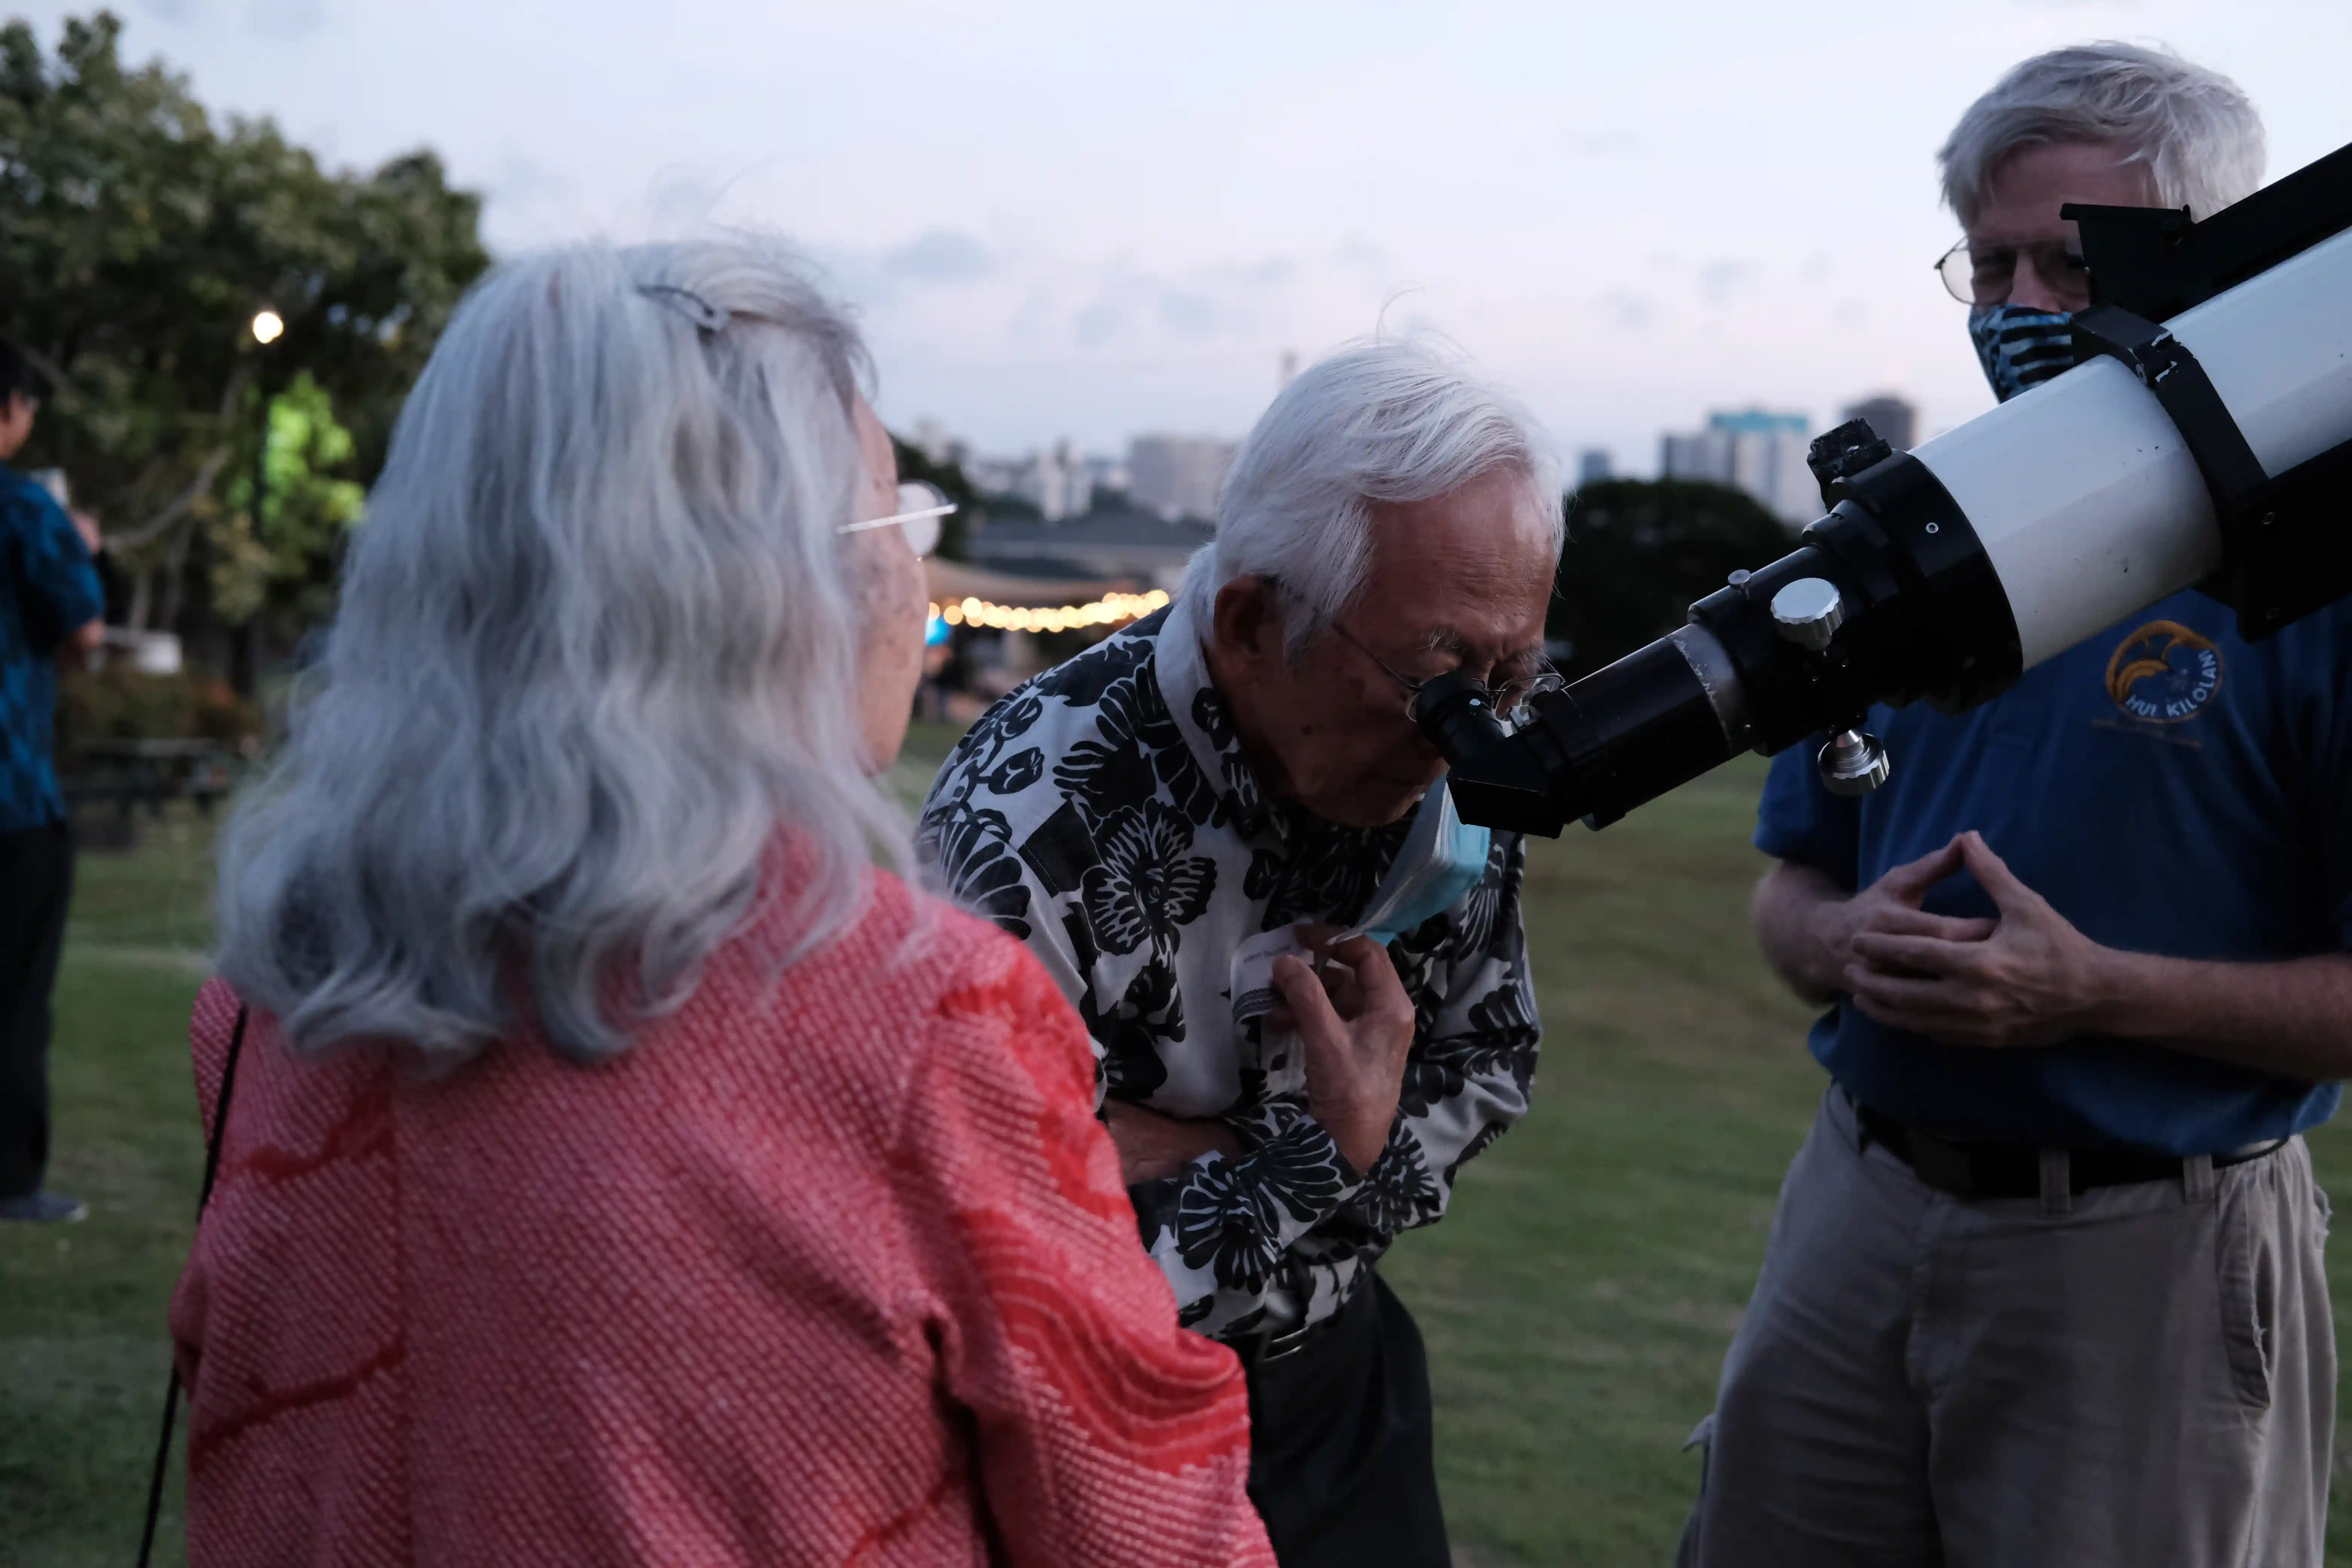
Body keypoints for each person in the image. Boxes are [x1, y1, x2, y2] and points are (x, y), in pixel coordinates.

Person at [170, 240, 1276, 1567]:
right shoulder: (923, 1020)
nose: (913, 581)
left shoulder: (268, 1004)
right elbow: (1151, 1529)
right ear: (761, 589)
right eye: (897, 521)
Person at [1682, 44, 2352, 1568]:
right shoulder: (1905, 552)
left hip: (2149, 1248)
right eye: (1989, 264)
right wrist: (1842, 937)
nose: (2022, 305)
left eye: (2071, 256)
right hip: (1859, 1204)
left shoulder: (2321, 576)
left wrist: (2094, 990)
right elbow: (1790, 884)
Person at [921, 340, 1557, 1568]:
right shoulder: (1028, 814)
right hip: (1097, 1431)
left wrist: (1195, 1154)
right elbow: (991, 1243)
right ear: (1256, 622)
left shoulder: (1453, 767)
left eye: (1508, 675)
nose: (1466, 734)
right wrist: (1315, 1158)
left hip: (1338, 1394)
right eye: (1438, 681)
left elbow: (1488, 1053)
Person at [0, 337, 105, 1226]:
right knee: (15, 994)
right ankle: (10, 1180)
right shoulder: (25, 509)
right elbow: (83, 634)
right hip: (12, 798)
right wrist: (83, 550)